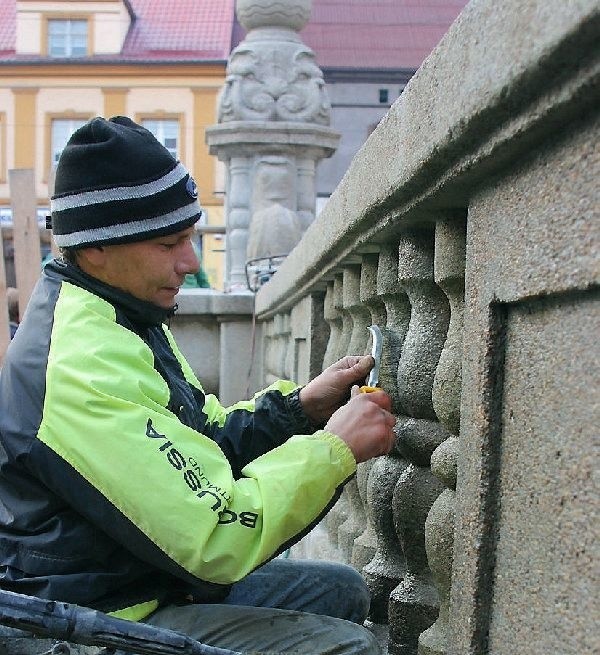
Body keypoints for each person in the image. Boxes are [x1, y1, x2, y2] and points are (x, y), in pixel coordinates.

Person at [0, 117, 396, 655]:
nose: (190, 262)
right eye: (170, 244)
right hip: (80, 621)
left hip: (134, 578)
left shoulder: (119, 314)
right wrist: (335, 450)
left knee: (342, 590)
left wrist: (302, 408)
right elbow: (216, 539)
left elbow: (202, 438)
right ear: (96, 248)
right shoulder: (81, 363)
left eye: (189, 237)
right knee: (350, 647)